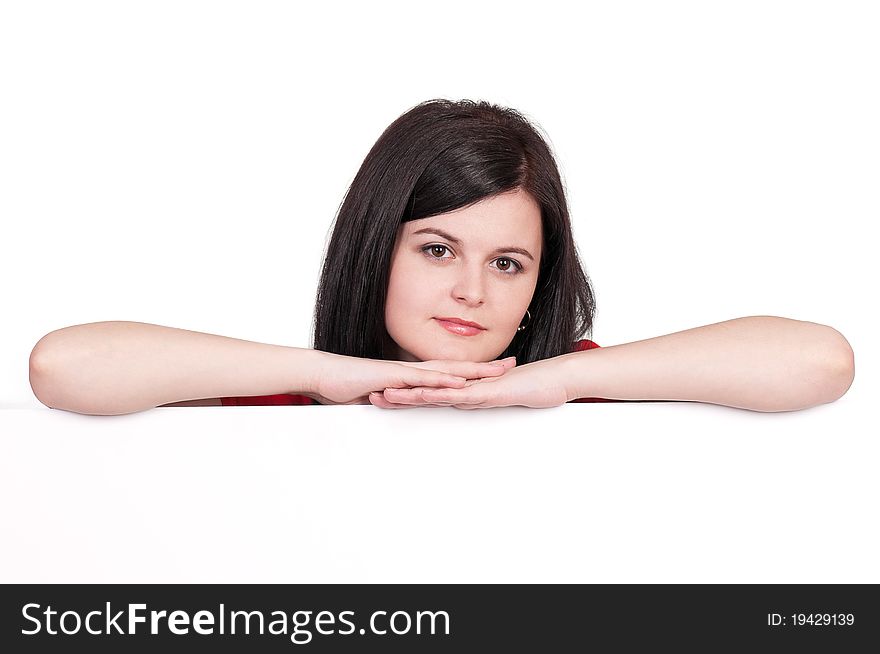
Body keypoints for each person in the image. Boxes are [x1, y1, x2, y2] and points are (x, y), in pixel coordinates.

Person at [28, 99, 855, 416]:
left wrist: (559, 378)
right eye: (435, 248)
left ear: (539, 285)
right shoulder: (294, 396)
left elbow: (818, 361)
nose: (471, 291)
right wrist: (327, 371)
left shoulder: (576, 386)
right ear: (372, 252)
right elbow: (65, 368)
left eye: (508, 264)